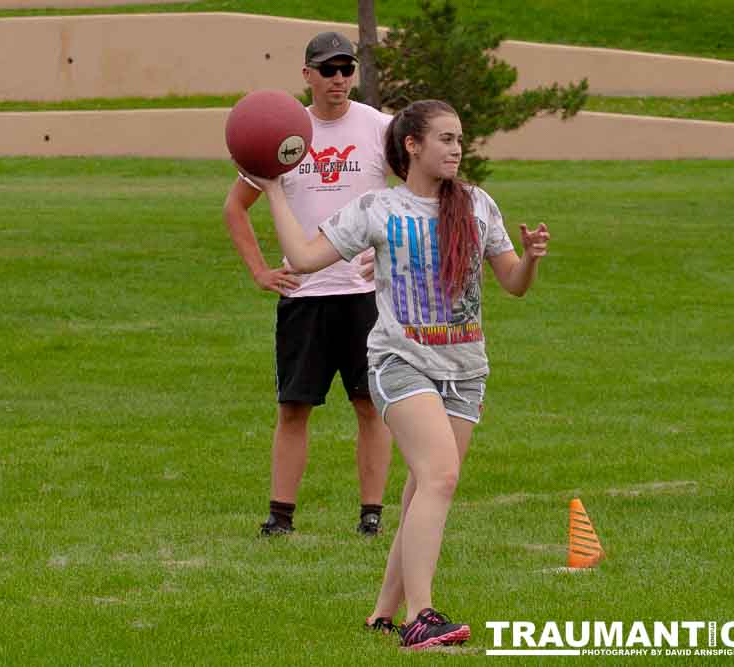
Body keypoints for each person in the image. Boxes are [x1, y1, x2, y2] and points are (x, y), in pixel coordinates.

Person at [245, 99, 551, 649]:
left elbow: (513, 283)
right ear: (412, 145)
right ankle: (421, 616)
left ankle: (383, 613)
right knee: (440, 477)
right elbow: (304, 256)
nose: (457, 149)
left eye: (460, 139)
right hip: (400, 362)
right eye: (446, 139)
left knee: (420, 492)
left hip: (465, 371)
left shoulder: (478, 205)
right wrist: (273, 190)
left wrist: (529, 259)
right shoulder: (378, 208)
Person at [222, 32, 394, 537]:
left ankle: (371, 515)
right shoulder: (281, 131)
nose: (338, 79)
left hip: (365, 296)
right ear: (307, 75)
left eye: (346, 69)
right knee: (293, 407)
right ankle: (280, 517)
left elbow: (423, 191)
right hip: (305, 296)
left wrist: (390, 252)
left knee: (371, 405)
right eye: (327, 69)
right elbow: (234, 207)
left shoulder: (380, 128)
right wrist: (260, 271)